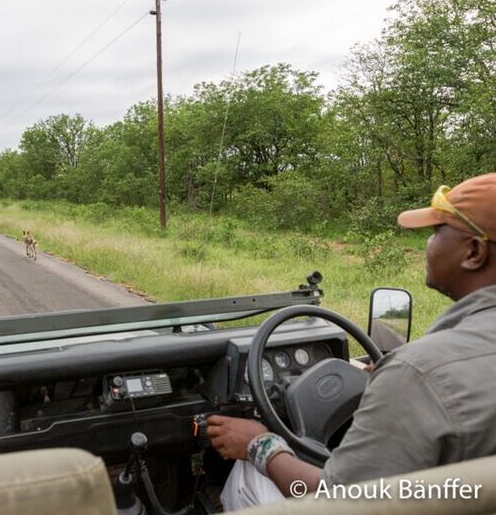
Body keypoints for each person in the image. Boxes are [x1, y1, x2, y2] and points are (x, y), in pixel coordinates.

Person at [208, 172, 496, 510]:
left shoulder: (417, 375)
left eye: (435, 232)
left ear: (474, 252)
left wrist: (260, 444)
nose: (427, 245)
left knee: (249, 472)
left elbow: (341, 503)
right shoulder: (418, 372)